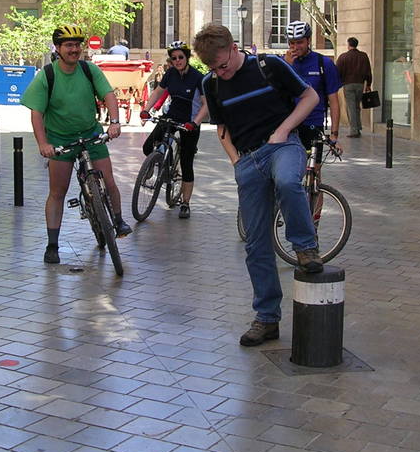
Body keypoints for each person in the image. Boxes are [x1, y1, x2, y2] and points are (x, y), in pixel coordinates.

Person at [194, 25, 322, 347]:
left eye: (222, 65)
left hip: (283, 146)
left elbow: (310, 96)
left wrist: (283, 130)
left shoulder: (268, 66)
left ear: (234, 48)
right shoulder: (211, 83)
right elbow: (222, 127)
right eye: (213, 69)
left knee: (289, 181)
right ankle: (267, 319)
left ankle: (305, 247)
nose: (220, 73)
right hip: (248, 161)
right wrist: (236, 162)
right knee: (255, 245)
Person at [21, 24, 132, 265]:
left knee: (110, 181)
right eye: (68, 45)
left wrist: (114, 122)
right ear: (58, 48)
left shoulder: (89, 70)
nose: (74, 49)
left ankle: (119, 219)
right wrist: (43, 144)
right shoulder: (47, 75)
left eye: (77, 45)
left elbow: (109, 96)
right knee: (57, 193)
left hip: (91, 134)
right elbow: (36, 113)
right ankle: (52, 244)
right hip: (61, 140)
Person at [139, 40, 208, 219]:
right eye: (174, 58)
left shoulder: (198, 77)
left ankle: (185, 203)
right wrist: (146, 110)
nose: (177, 60)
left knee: (186, 163)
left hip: (190, 122)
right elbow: (157, 92)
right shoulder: (170, 74)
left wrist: (195, 122)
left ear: (187, 57)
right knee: (148, 147)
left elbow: (206, 105)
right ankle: (161, 164)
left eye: (180, 57)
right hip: (171, 116)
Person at [283, 21, 343, 153]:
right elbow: (277, 95)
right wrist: (287, 67)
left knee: (314, 169)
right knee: (291, 171)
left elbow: (334, 101)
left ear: (308, 40)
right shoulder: (282, 63)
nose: (295, 47)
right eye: (292, 43)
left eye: (299, 42)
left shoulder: (324, 63)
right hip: (288, 125)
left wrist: (334, 134)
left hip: (313, 124)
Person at [335, 37, 373, 137]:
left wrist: (338, 83)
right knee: (356, 106)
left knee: (351, 107)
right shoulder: (363, 56)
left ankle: (354, 130)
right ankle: (358, 127)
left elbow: (337, 71)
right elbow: (368, 71)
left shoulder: (343, 57)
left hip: (348, 84)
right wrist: (368, 84)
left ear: (348, 45)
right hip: (360, 84)